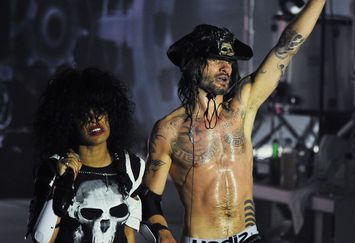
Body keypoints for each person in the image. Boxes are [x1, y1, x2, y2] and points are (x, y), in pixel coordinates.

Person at [141, 0, 326, 242]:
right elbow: (148, 197)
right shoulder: (169, 131)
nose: (225, 66)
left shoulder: (242, 108)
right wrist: (162, 232)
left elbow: (287, 48)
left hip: (248, 236)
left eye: (229, 61)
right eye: (216, 59)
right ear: (192, 64)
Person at [26, 67, 145, 243]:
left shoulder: (131, 166)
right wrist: (62, 185)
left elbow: (129, 235)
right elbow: (41, 239)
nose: (94, 119)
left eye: (100, 110)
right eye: (82, 114)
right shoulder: (53, 169)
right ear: (67, 122)